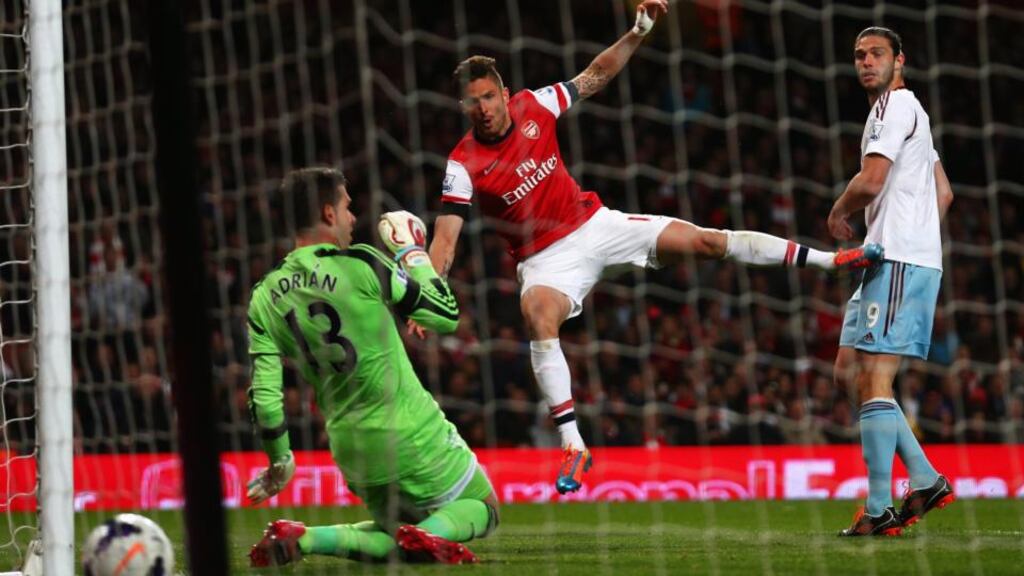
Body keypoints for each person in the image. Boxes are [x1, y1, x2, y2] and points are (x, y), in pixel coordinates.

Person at [427, 0, 882, 494]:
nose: (485, 109)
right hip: (546, 262)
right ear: (463, 108)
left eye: (490, 97)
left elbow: (593, 76)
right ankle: (573, 445)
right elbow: (446, 238)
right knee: (537, 313)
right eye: (474, 103)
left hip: (597, 225)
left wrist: (638, 31)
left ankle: (829, 261)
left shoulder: (535, 105)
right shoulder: (462, 163)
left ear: (504, 93)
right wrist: (425, 293)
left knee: (707, 241)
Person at [246, 167, 498, 566]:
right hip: (413, 434)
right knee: (482, 506)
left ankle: (305, 539)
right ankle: (435, 534)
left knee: (395, 537)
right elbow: (445, 315)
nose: (353, 218)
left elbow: (265, 399)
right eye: (347, 208)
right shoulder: (362, 263)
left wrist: (280, 460)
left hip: (352, 449)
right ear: (329, 214)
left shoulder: (263, 298)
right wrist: (413, 254)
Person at [830, 27, 955, 537]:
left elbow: (873, 180)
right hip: (891, 260)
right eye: (859, 55)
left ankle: (879, 507)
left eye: (876, 53)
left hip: (897, 260)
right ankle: (924, 480)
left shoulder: (893, 106)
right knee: (848, 373)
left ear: (898, 60)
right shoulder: (915, 113)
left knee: (876, 380)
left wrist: (839, 210)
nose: (866, 62)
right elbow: (943, 194)